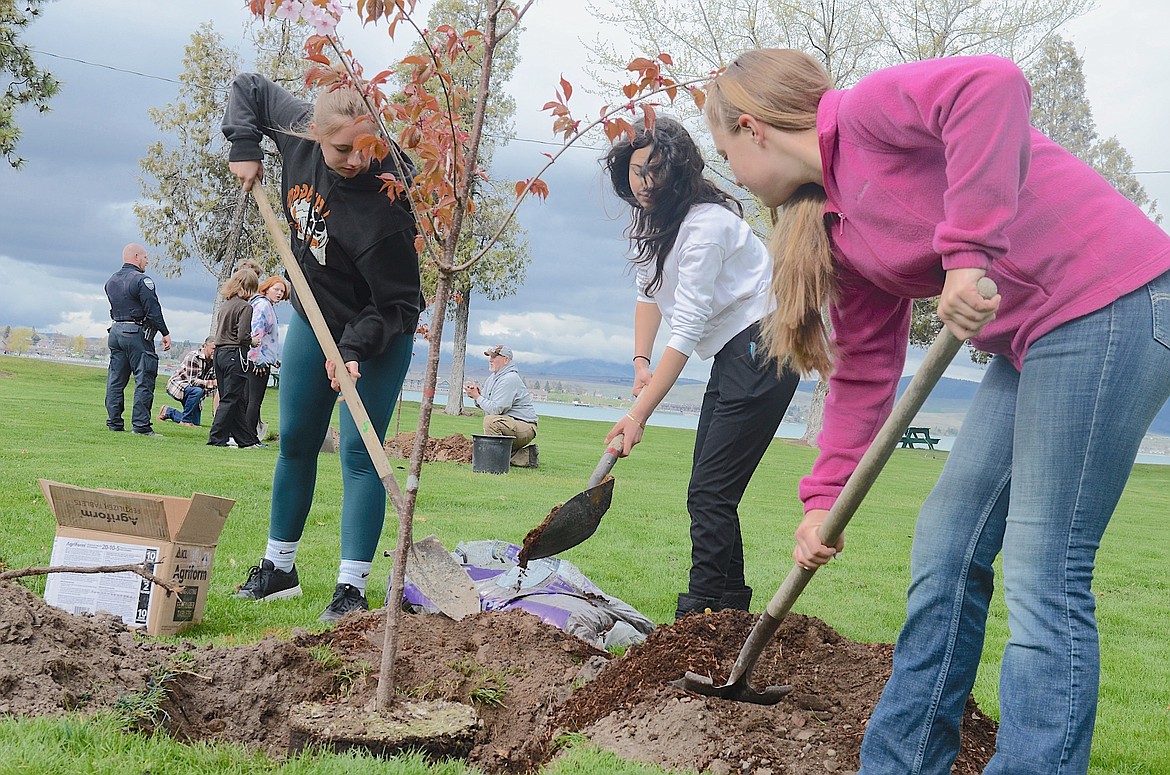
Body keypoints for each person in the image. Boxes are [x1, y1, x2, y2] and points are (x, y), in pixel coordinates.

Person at [704, 48, 1170, 774]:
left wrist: (965, 254)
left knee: (1045, 570)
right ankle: (902, 761)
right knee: (947, 544)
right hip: (1032, 340)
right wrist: (822, 499)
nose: (728, 169)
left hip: (1112, 300)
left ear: (752, 127)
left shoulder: (865, 114)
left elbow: (993, 85)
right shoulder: (839, 231)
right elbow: (863, 373)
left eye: (724, 149)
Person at [223, 71, 421, 623]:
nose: (357, 159)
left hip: (379, 330)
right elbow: (250, 89)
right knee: (296, 441)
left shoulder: (389, 200)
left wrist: (354, 348)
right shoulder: (298, 131)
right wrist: (244, 145)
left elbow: (401, 301)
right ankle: (278, 569)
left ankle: (350, 590)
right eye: (342, 149)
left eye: (366, 146)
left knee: (361, 454)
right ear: (313, 131)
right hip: (313, 318)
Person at [601, 116, 800, 620]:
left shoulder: (706, 226)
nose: (642, 182)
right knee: (710, 492)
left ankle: (701, 614)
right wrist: (641, 362)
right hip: (735, 354)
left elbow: (686, 331)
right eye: (633, 170)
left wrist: (637, 416)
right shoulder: (657, 225)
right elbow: (649, 296)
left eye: (654, 170)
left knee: (711, 492)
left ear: (679, 169)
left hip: (762, 349)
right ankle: (727, 611)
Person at [103, 243, 172, 436]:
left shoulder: (111, 281)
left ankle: (114, 423)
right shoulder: (142, 280)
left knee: (115, 380)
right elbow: (153, 308)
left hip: (115, 331)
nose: (147, 261)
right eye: (145, 257)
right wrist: (164, 332)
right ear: (135, 256)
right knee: (144, 378)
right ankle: (141, 426)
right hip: (135, 333)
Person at [208, 268, 263, 449]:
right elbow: (242, 336)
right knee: (231, 398)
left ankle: (245, 441)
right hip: (235, 354)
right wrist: (252, 341)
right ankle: (216, 437)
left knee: (235, 398)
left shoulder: (226, 304)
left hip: (219, 354)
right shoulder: (245, 307)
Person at [464, 344, 538, 453]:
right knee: (489, 427)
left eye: (494, 357)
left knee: (491, 421)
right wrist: (477, 396)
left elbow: (496, 410)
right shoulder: (493, 378)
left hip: (525, 426)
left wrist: (477, 396)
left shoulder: (509, 379)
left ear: (506, 360)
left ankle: (494, 459)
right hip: (511, 424)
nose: (490, 360)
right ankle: (524, 456)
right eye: (490, 357)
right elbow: (487, 404)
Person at [245, 275, 288, 440]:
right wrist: (258, 360)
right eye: (276, 289)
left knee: (251, 399)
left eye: (282, 291)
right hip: (258, 360)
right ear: (267, 288)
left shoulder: (264, 304)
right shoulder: (262, 305)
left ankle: (248, 434)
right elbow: (257, 333)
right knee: (254, 400)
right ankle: (249, 436)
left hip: (263, 358)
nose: (279, 293)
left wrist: (273, 358)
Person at [159, 338, 217, 426]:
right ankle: (185, 421)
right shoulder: (193, 357)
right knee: (197, 391)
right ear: (205, 346)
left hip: (197, 392)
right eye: (213, 349)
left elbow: (215, 384)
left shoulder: (215, 361)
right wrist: (213, 383)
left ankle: (168, 411)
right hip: (179, 386)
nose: (215, 351)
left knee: (195, 423)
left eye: (216, 349)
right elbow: (192, 382)